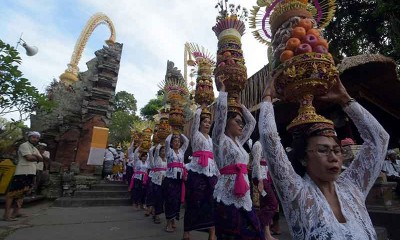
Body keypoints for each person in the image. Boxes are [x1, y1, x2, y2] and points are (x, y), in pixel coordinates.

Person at [258, 77, 390, 239]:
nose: (333, 157)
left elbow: (380, 140)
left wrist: (346, 100)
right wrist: (267, 97)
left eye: (336, 150)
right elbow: (269, 137)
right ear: (304, 158)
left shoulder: (352, 187)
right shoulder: (298, 193)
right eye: (322, 150)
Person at [212, 79, 264, 239]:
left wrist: (241, 106)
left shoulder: (239, 143)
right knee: (231, 233)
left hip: (244, 191)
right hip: (227, 192)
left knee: (254, 231)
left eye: (241, 123)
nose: (241, 125)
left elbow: (252, 122)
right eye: (237, 122)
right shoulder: (219, 139)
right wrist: (222, 93)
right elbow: (220, 116)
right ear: (227, 122)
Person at [182, 105, 219, 240]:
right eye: (205, 122)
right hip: (197, 171)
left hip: (210, 171)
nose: (207, 124)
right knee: (193, 201)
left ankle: (212, 232)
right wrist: (200, 108)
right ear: (200, 124)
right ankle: (187, 231)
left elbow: (214, 156)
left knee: (211, 201)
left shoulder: (211, 139)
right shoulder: (195, 134)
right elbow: (196, 120)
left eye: (209, 122)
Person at [3, 131, 43, 221]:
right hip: (22, 172)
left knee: (22, 193)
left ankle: (16, 212)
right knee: (12, 193)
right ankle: (6, 215)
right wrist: (36, 157)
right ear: (29, 137)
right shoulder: (24, 145)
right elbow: (28, 158)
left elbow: (41, 159)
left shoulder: (34, 148)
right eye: (33, 137)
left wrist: (35, 156)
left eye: (37, 138)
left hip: (31, 172)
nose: (35, 139)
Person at [251, 140, 279, 240]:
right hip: (260, 178)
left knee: (265, 204)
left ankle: (266, 234)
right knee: (273, 203)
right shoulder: (258, 144)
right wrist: (260, 180)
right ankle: (255, 222)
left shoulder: (267, 145)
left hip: (266, 177)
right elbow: (256, 162)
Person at [163, 133, 189, 232]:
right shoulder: (169, 151)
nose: (177, 143)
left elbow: (186, 141)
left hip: (179, 180)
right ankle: (168, 223)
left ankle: (173, 219)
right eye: (175, 141)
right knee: (169, 200)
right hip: (170, 179)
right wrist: (172, 133)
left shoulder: (181, 152)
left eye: (178, 141)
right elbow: (166, 141)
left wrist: (180, 134)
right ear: (172, 143)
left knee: (177, 201)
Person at [151, 145, 167, 224]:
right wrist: (160, 143)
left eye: (165, 150)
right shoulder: (157, 158)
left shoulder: (167, 159)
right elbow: (156, 150)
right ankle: (156, 214)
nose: (164, 152)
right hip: (157, 180)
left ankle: (156, 212)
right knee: (157, 197)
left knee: (162, 198)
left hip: (165, 181)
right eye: (162, 150)